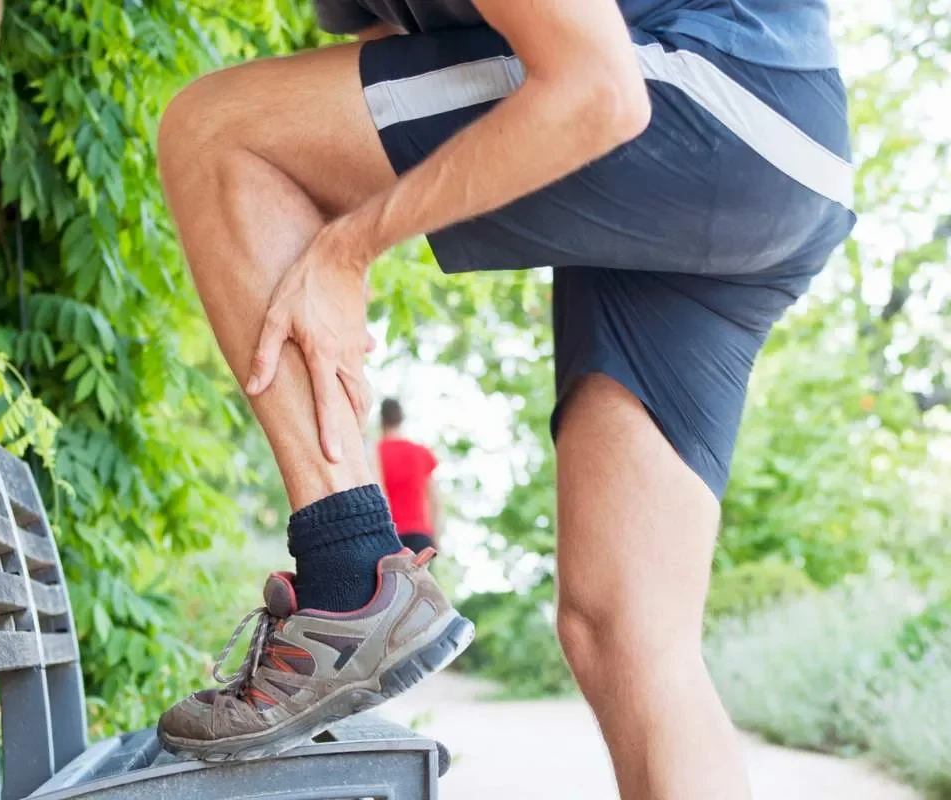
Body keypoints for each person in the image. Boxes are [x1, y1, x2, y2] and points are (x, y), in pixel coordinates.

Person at [154, 0, 854, 796]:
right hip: (770, 162)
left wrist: (348, 249)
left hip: (706, 96)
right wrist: (320, 242)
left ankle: (350, 582)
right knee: (625, 632)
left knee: (218, 127)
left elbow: (597, 89)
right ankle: (358, 585)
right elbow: (380, 82)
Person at [375, 398, 442, 554]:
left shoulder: (376, 453)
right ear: (401, 418)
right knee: (420, 579)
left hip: (388, 535)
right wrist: (436, 536)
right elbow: (435, 499)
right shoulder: (421, 452)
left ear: (382, 420)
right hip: (420, 535)